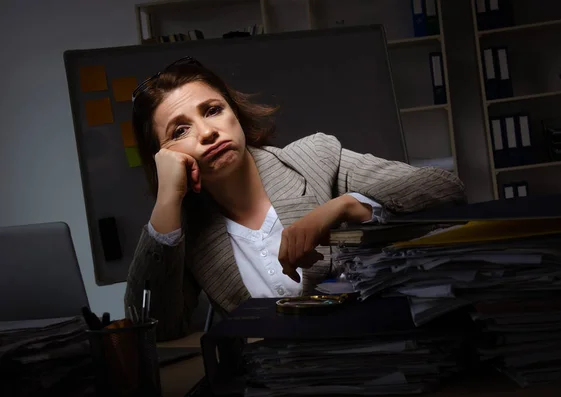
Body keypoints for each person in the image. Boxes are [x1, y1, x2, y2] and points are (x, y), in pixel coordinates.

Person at [124, 57, 466, 341]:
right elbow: (153, 328)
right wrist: (166, 200)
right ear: (162, 156)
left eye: (212, 110)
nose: (207, 132)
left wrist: (347, 205)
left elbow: (444, 189)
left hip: (382, 354)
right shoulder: (184, 233)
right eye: (179, 130)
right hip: (281, 379)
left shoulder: (315, 158)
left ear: (235, 114)